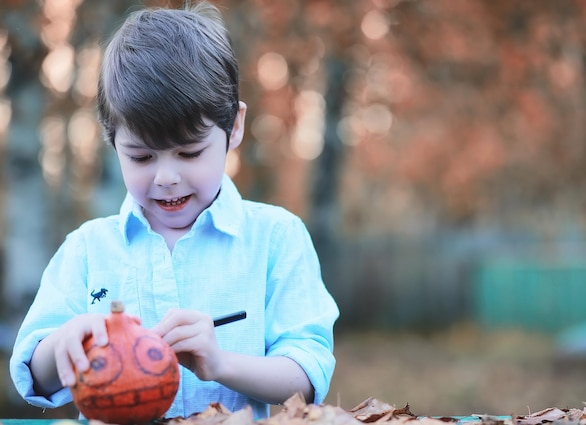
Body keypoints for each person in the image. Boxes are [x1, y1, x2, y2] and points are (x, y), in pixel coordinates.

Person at [9, 1, 339, 420]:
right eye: (142, 158)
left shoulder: (275, 237)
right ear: (112, 142)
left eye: (189, 152)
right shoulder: (88, 248)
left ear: (233, 127)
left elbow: (307, 376)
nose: (166, 177)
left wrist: (221, 364)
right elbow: (34, 376)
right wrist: (64, 345)